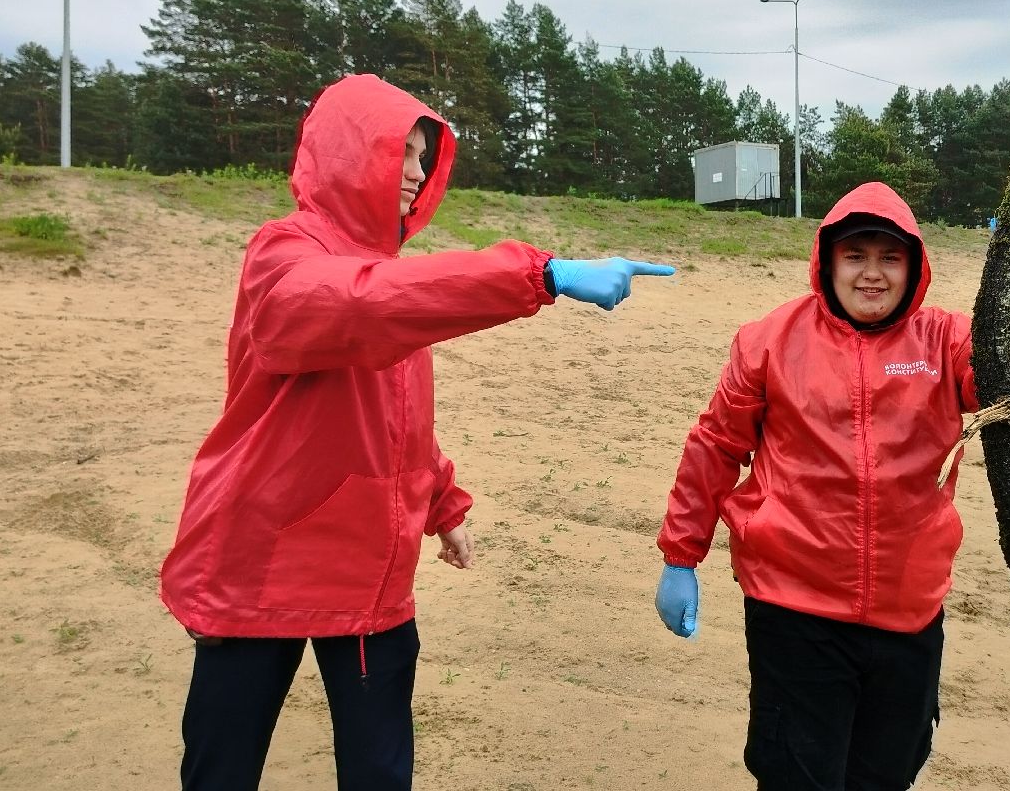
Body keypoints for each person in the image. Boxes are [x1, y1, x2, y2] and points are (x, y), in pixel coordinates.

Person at [160, 73, 674, 791]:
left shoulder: (391, 276)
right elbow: (355, 307)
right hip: (263, 557)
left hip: (367, 564)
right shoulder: (282, 256)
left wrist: (443, 505)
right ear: (344, 153)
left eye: (425, 155)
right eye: (398, 150)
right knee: (222, 765)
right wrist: (542, 274)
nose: (415, 171)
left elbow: (395, 418)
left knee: (378, 769)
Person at [653, 181, 1010, 791]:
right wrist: (680, 556)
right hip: (792, 605)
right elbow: (716, 447)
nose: (872, 274)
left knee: (886, 774)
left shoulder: (948, 340)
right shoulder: (768, 339)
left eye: (889, 258)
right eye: (856, 256)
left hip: (909, 609)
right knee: (797, 774)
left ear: (914, 265)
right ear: (827, 261)